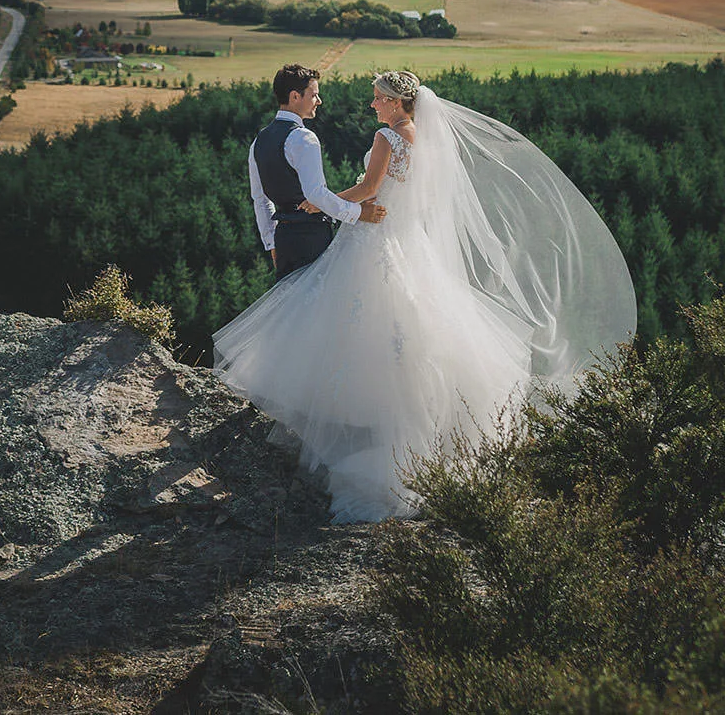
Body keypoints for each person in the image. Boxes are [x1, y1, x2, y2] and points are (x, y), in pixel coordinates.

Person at [216, 70, 636, 521]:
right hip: (407, 237)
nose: (372, 105)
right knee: (408, 327)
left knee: (357, 320)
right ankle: (412, 435)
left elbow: (370, 189)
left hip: (375, 235)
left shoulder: (385, 137)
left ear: (397, 102)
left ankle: (364, 426)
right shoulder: (422, 137)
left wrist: (326, 202)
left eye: (378, 99)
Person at [247, 64, 386, 281]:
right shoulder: (304, 138)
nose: (319, 101)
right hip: (311, 237)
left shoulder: (258, 141)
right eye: (314, 95)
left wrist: (272, 243)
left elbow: (260, 199)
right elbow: (316, 195)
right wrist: (359, 213)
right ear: (295, 96)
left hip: (283, 240)